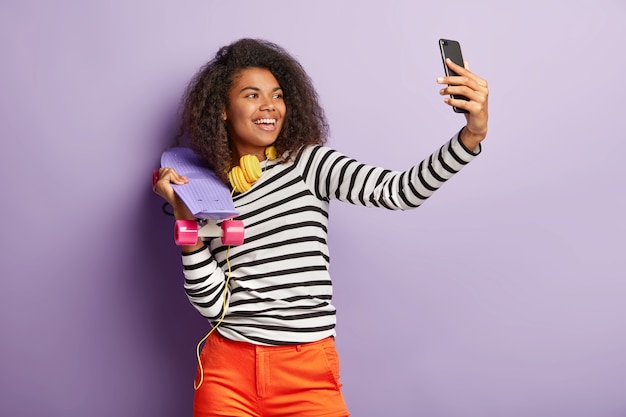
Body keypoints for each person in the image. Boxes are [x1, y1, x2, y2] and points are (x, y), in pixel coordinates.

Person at [153, 38, 488, 417]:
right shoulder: (212, 190)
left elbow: (399, 192)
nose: (269, 107)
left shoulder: (309, 164)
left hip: (307, 371)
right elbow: (213, 305)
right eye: (251, 95)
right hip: (227, 372)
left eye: (277, 95)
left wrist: (470, 137)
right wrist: (186, 217)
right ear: (224, 111)